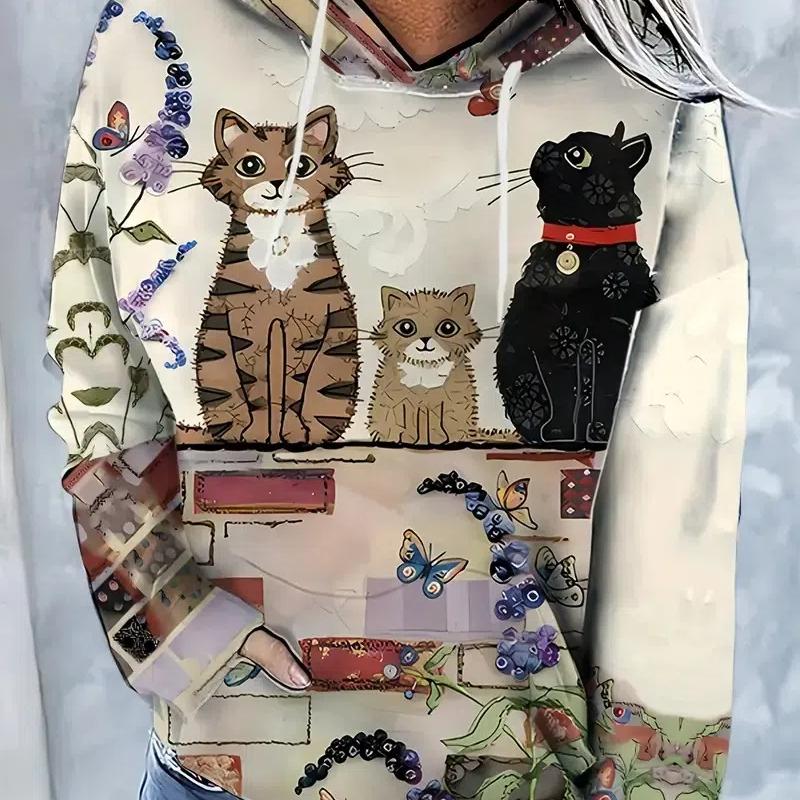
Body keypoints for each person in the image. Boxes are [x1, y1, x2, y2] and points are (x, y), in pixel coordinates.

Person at [48, 1, 752, 798]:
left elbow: (683, 485)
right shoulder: (160, 32)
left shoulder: (650, 72)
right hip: (223, 776)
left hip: (525, 779)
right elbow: (99, 395)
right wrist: (187, 638)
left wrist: (657, 787)